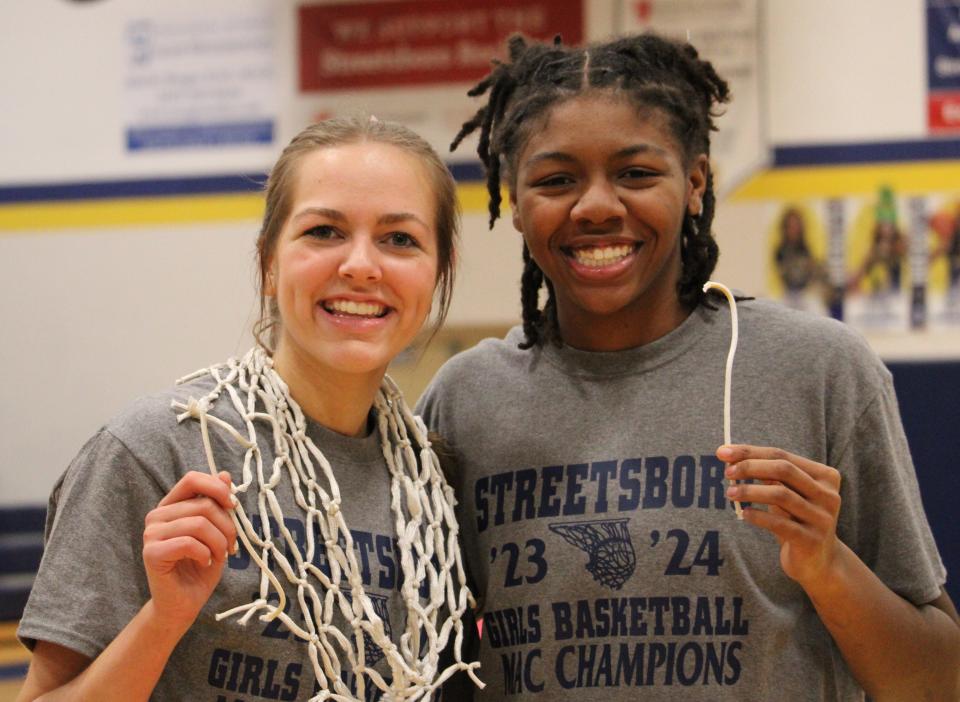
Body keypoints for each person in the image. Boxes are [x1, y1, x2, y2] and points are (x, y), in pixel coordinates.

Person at [417, 33, 960, 700]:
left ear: (695, 183)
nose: (596, 206)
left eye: (636, 173)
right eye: (557, 180)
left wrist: (826, 567)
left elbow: (938, 682)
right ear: (515, 200)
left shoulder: (818, 370)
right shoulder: (467, 399)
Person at [17, 116, 481, 701]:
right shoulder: (156, 449)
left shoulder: (434, 484)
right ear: (268, 261)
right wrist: (164, 620)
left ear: (438, 272)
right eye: (324, 231)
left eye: (400, 239)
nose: (362, 265)